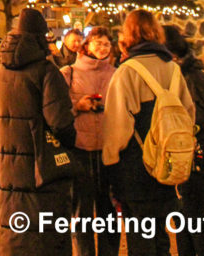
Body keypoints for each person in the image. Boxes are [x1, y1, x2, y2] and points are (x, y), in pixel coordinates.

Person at [0, 7, 75, 256]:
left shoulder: (0, 71)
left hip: (9, 164)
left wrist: (8, 135)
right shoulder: (46, 72)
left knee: (14, 221)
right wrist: (66, 141)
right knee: (44, 229)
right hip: (42, 168)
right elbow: (60, 122)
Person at [103, 9, 195, 256]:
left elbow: (117, 126)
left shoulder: (127, 71)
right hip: (166, 159)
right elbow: (188, 114)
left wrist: (109, 161)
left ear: (129, 34)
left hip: (136, 164)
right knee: (160, 235)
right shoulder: (173, 69)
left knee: (140, 237)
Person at [61, 25, 118, 256]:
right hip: (80, 149)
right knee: (81, 213)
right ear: (87, 44)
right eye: (98, 42)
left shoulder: (117, 74)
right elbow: (58, 111)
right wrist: (78, 107)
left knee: (109, 212)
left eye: (106, 43)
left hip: (108, 150)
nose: (102, 47)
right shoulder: (68, 72)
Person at [164, 26, 204, 256]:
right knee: (183, 217)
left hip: (196, 152)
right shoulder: (181, 75)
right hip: (185, 150)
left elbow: (203, 118)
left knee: (194, 216)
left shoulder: (193, 78)